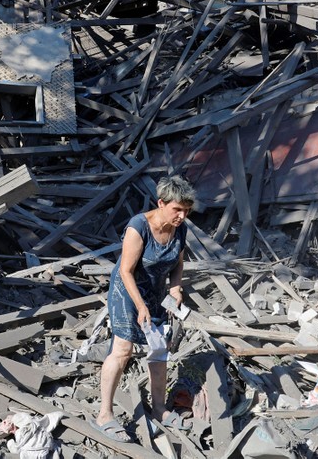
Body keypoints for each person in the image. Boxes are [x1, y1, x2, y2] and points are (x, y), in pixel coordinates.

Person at [93, 175, 196, 442]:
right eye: (177, 209)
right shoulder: (138, 227)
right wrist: (140, 306)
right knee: (123, 350)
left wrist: (175, 287)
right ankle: (104, 413)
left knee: (159, 348)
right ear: (161, 203)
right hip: (127, 292)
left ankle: (159, 408)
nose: (182, 216)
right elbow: (126, 271)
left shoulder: (179, 228)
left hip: (155, 291)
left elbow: (178, 262)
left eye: (186, 210)